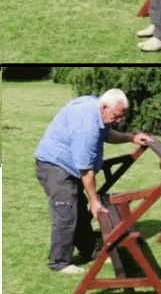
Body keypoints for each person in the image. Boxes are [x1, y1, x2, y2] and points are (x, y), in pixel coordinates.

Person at [34, 88, 153, 274]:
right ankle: (59, 262)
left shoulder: (98, 110)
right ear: (105, 106)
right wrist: (95, 201)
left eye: (121, 117)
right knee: (66, 213)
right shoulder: (86, 126)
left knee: (78, 209)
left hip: (63, 163)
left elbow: (108, 134)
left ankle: (90, 251)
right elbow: (86, 171)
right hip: (54, 166)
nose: (119, 121)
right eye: (116, 116)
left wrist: (131, 138)